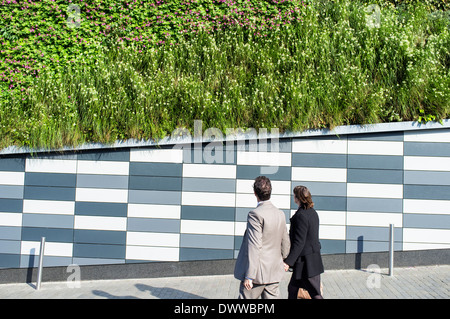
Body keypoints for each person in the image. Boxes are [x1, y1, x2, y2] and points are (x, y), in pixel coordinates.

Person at [234, 176, 290, 299]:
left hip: (257, 275)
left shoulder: (255, 214)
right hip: (274, 270)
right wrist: (286, 260)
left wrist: (249, 276)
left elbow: (254, 246)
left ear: (255, 193)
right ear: (270, 192)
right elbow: (285, 241)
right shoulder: (280, 214)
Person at [283, 185, 324, 299]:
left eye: (294, 196)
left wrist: (288, 262)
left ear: (297, 198)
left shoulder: (301, 216)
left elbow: (299, 242)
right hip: (310, 260)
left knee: (315, 293)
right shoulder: (312, 212)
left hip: (306, 263)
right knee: (292, 288)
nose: (293, 198)